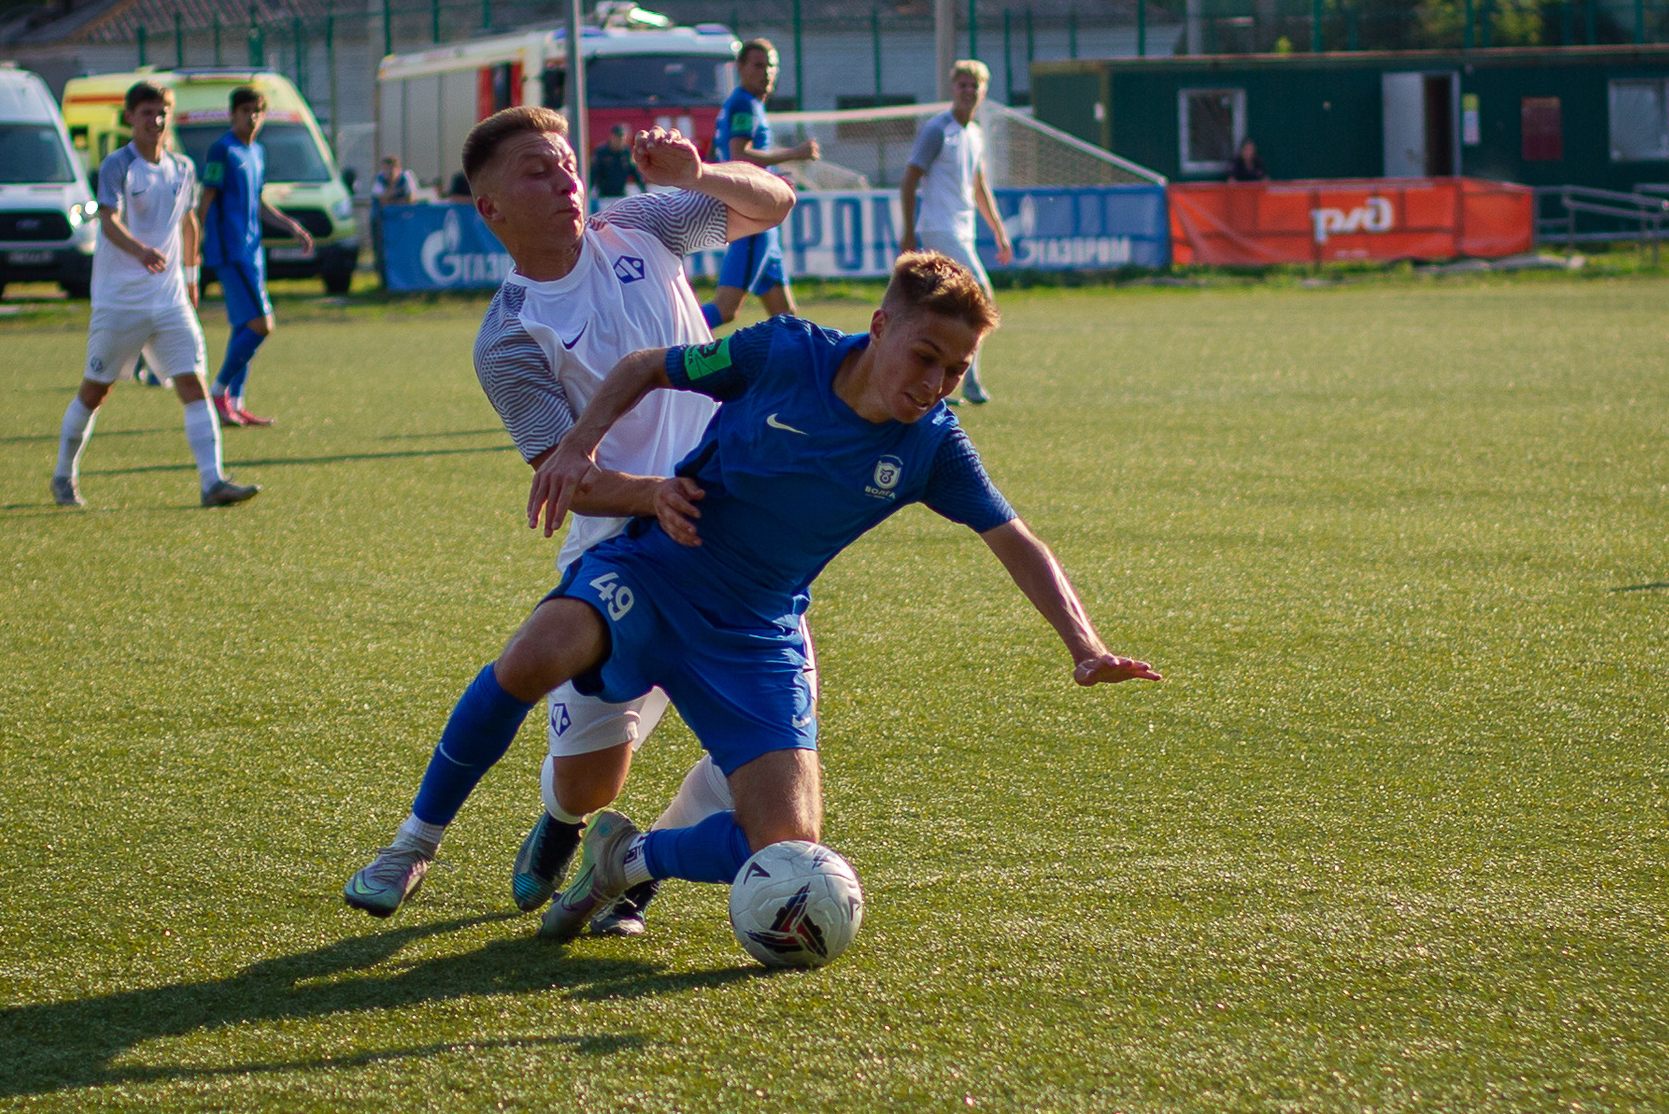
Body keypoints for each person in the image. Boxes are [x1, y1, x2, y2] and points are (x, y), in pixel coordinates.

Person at [341, 252, 1156, 943]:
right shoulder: (783, 352)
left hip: (757, 629)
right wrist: (578, 449)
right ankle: (414, 843)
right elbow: (642, 367)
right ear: (879, 327)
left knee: (791, 848)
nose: (937, 382)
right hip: (659, 569)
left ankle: (627, 862)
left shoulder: (932, 447)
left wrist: (1084, 646)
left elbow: (1015, 538)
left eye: (957, 369)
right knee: (533, 657)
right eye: (926, 355)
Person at [342, 106, 797, 934]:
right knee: (589, 778)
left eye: (566, 163)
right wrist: (655, 495)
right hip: (626, 544)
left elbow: (773, 203)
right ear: (491, 210)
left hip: (738, 541)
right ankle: (551, 822)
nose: (564, 180)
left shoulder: (643, 224)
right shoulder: (510, 334)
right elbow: (569, 481)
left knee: (762, 766)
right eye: (536, 171)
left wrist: (696, 175)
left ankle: (628, 875)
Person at [52, 80, 260, 511]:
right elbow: (107, 221)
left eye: (162, 112)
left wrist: (190, 277)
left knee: (194, 384)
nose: (156, 120)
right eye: (147, 112)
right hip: (120, 303)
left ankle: (212, 482)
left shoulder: (182, 167)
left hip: (168, 301)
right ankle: (63, 475)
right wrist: (140, 250)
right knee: (95, 392)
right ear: (131, 117)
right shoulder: (117, 166)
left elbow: (189, 224)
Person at [193, 86, 315, 429]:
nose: (253, 117)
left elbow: (257, 202)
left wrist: (291, 225)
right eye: (246, 110)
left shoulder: (257, 151)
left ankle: (236, 401)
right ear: (233, 114)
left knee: (243, 327)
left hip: (253, 250)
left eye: (258, 111)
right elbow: (208, 197)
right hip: (231, 251)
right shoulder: (222, 150)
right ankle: (217, 392)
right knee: (262, 325)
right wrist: (196, 244)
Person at [898, 60, 1012, 405]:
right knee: (980, 295)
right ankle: (967, 381)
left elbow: (978, 187)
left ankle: (939, 377)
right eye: (962, 85)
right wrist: (908, 233)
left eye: (973, 86)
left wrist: (999, 231)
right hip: (938, 228)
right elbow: (909, 179)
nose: (968, 91)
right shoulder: (938, 130)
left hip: (961, 231)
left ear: (983, 91)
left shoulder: (974, 134)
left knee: (945, 309)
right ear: (952, 90)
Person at [700, 38, 820, 329]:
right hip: (753, 218)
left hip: (762, 220)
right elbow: (739, 154)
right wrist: (795, 153)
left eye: (771, 66)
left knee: (786, 316)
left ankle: (794, 373)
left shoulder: (747, 103)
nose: (766, 72)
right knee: (725, 308)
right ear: (740, 67)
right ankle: (657, 338)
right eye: (757, 65)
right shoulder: (744, 103)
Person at [589, 123, 643, 202]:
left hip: (620, 196)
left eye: (622, 138)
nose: (620, 141)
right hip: (604, 197)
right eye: (618, 138)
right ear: (612, 137)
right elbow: (593, 174)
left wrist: (644, 190)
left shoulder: (626, 153)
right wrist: (587, 193)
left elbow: (634, 173)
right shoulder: (601, 152)